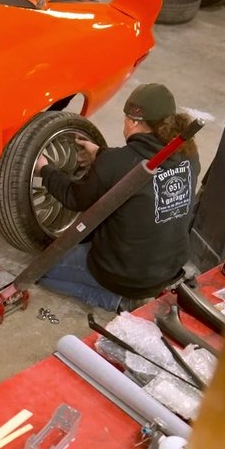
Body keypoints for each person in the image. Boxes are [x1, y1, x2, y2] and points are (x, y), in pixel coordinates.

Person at [34, 84, 200, 311]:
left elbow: (73, 198)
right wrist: (101, 154)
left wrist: (46, 170)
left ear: (133, 122)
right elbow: (133, 166)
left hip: (125, 273)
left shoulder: (116, 164)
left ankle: (118, 301)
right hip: (169, 267)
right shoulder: (188, 153)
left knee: (42, 271)